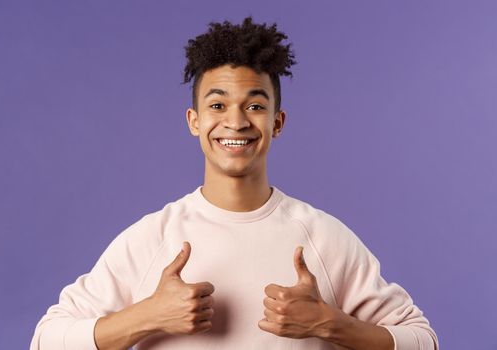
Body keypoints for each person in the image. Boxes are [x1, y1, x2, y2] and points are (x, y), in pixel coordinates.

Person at [30, 17, 439, 350]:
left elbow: (424, 340)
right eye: (218, 104)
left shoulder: (323, 238)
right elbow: (45, 341)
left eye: (256, 105)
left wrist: (330, 325)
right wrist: (146, 317)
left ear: (277, 123)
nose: (237, 121)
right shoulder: (152, 238)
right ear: (194, 121)